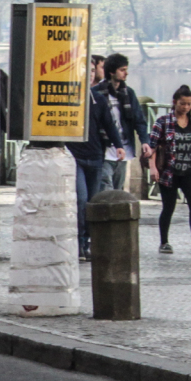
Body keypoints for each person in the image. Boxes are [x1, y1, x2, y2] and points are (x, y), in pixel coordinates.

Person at [146, 85, 191, 254]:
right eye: (183, 104)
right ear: (175, 103)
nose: (186, 107)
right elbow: (152, 148)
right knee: (168, 207)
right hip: (169, 172)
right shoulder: (163, 122)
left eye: (189, 104)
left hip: (189, 171)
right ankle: (164, 242)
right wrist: (153, 169)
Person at [67, 87, 121, 261]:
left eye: (92, 70)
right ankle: (79, 243)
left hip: (96, 156)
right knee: (81, 200)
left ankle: (87, 242)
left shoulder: (98, 99)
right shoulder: (69, 95)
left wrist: (118, 145)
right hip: (75, 156)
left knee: (92, 202)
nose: (89, 74)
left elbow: (109, 123)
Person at [94, 53, 148, 192]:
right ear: (112, 71)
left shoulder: (128, 93)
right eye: (122, 70)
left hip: (124, 150)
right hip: (104, 148)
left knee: (118, 190)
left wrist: (145, 141)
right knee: (106, 188)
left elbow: (139, 120)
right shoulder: (96, 93)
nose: (126, 73)